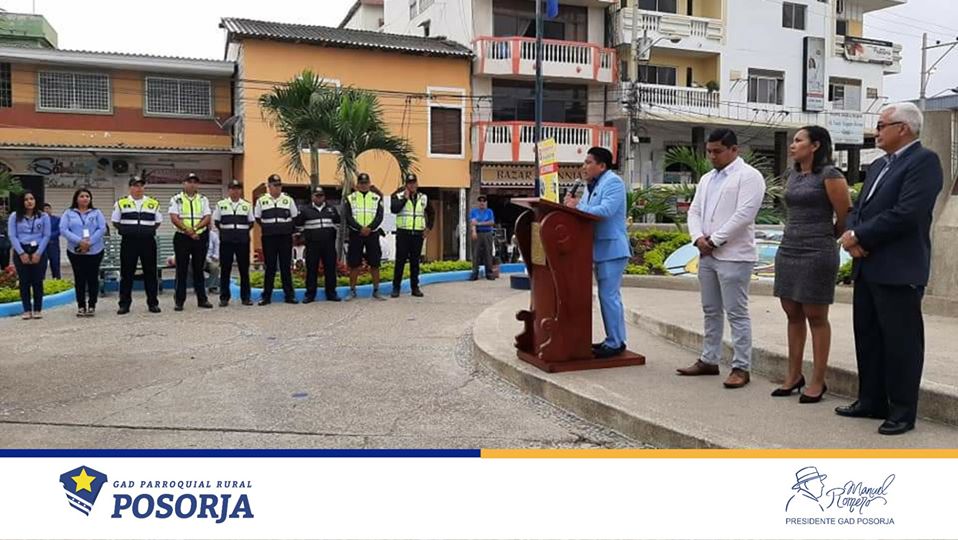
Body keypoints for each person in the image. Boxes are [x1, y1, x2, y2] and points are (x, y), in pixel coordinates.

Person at [837, 102, 943, 436]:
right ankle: (871, 401)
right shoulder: (879, 164)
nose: (876, 131)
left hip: (899, 268)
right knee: (868, 337)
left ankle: (902, 411)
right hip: (867, 266)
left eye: (882, 125)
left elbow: (908, 212)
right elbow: (858, 208)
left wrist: (860, 236)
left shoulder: (924, 161)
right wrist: (852, 235)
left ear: (903, 128)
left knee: (901, 344)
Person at [678, 128, 766, 388]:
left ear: (734, 149)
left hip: (734, 255)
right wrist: (698, 238)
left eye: (717, 151)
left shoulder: (749, 176)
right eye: (709, 151)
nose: (712, 156)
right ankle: (709, 359)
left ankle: (741, 367)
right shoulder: (707, 179)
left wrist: (715, 240)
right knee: (710, 309)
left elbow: (744, 215)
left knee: (736, 312)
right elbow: (694, 211)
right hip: (707, 254)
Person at [772, 126, 852, 403]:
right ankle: (793, 375)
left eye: (798, 140)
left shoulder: (830, 175)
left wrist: (825, 237)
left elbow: (845, 215)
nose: (792, 145)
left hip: (817, 251)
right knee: (792, 313)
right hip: (789, 248)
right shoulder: (793, 174)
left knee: (816, 316)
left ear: (815, 145)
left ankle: (818, 380)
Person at [562, 147, 631, 359]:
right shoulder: (590, 185)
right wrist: (570, 207)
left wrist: (576, 206)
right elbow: (584, 210)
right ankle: (612, 339)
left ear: (602, 165)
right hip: (597, 248)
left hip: (612, 248)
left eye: (588, 162)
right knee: (605, 296)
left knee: (609, 296)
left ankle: (616, 342)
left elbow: (605, 211)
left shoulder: (613, 182)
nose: (584, 167)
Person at [112, 175, 162, 315]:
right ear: (130, 188)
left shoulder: (153, 203)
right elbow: (115, 222)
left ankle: (153, 303)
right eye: (135, 185)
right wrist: (129, 231)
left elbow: (158, 222)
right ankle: (124, 304)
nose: (139, 188)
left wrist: (146, 231)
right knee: (127, 273)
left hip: (147, 242)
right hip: (129, 242)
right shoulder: (121, 203)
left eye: (141, 185)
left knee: (150, 273)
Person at [169, 172, 213, 311]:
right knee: (181, 269)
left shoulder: (203, 199)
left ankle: (202, 299)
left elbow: (207, 217)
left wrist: (194, 229)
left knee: (198, 269)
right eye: (189, 181)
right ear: (184, 183)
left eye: (195, 182)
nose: (192, 184)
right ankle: (179, 301)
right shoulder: (176, 199)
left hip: (199, 236)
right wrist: (187, 230)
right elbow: (174, 217)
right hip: (182, 237)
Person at [60, 188, 107, 317]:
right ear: (76, 198)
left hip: (95, 250)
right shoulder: (68, 213)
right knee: (79, 278)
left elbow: (102, 228)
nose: (85, 198)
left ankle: (92, 305)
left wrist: (89, 242)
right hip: (75, 251)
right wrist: (79, 241)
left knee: (92, 278)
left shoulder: (96, 212)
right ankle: (81, 306)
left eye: (87, 196)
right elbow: (63, 229)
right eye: (82, 196)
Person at [255, 174, 298, 305]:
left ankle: (289, 296)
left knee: (285, 266)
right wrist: (270, 227)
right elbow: (258, 218)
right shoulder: (261, 200)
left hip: (285, 237)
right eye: (275, 185)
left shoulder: (288, 200)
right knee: (270, 266)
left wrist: (284, 228)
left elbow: (294, 216)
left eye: (279, 185)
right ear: (269, 186)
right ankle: (266, 297)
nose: (278, 188)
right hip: (269, 238)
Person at [390, 173, 434, 298]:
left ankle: (415, 288)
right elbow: (394, 209)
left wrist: (428, 228)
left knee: (415, 262)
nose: (412, 185)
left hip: (417, 234)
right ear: (406, 185)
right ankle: (396, 288)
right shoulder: (398, 196)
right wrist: (405, 198)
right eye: (409, 183)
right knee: (400, 261)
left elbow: (431, 213)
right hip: (403, 233)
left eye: (414, 183)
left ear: (417, 184)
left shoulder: (423, 197)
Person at [8, 190, 50, 320]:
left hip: (39, 249)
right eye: (26, 199)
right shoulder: (15, 216)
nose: (29, 202)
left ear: (35, 201)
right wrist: (21, 253)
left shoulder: (43, 216)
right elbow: (12, 235)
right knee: (24, 281)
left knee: (38, 281)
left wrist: (38, 253)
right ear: (22, 202)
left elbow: (46, 235)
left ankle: (37, 309)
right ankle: (26, 310)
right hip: (21, 249)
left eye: (31, 199)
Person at [344, 172, 386, 300]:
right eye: (361, 183)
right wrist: (360, 228)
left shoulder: (376, 198)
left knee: (375, 263)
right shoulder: (350, 198)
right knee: (354, 263)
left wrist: (369, 228)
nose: (363, 185)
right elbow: (348, 217)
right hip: (356, 234)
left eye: (365, 183)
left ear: (369, 184)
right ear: (357, 184)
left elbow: (379, 216)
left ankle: (376, 290)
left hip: (372, 234)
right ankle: (352, 291)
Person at [297, 187, 341, 303]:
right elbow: (299, 227)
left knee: (330, 269)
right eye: (317, 196)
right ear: (312, 197)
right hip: (312, 245)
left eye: (321, 196)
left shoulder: (331, 209)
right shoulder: (305, 210)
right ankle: (310, 294)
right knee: (311, 269)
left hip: (329, 244)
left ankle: (331, 293)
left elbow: (338, 224)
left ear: (324, 197)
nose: (319, 198)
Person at [214, 180, 255, 307]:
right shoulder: (221, 204)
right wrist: (228, 232)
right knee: (225, 269)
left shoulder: (246, 205)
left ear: (241, 191)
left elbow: (251, 222)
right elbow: (217, 222)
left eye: (237, 189)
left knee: (244, 269)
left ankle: (245, 297)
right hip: (226, 241)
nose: (235, 191)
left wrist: (240, 232)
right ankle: (224, 298)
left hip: (242, 241)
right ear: (229, 190)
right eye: (232, 188)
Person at [469, 195, 496, 281]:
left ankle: (489, 273)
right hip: (477, 233)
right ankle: (475, 273)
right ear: (478, 202)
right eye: (480, 201)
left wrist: (479, 223)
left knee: (488, 253)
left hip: (487, 233)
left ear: (486, 202)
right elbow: (473, 222)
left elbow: (491, 222)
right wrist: (474, 232)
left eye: (484, 201)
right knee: (475, 254)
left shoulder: (489, 211)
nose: (482, 202)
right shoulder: (474, 211)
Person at [42, 202, 62, 279]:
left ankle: (57, 281)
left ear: (51, 210)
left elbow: (59, 230)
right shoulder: (39, 220)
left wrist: (48, 236)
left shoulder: (57, 219)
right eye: (44, 209)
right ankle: (41, 282)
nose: (46, 210)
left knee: (55, 264)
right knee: (42, 266)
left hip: (53, 245)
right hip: (42, 246)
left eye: (48, 209)